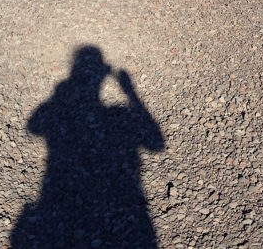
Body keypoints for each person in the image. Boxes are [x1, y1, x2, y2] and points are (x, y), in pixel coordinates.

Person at [11, 45, 165, 248]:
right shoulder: (117, 112)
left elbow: (34, 127)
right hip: (123, 197)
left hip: (58, 186)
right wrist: (131, 94)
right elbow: (156, 143)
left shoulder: (62, 93)